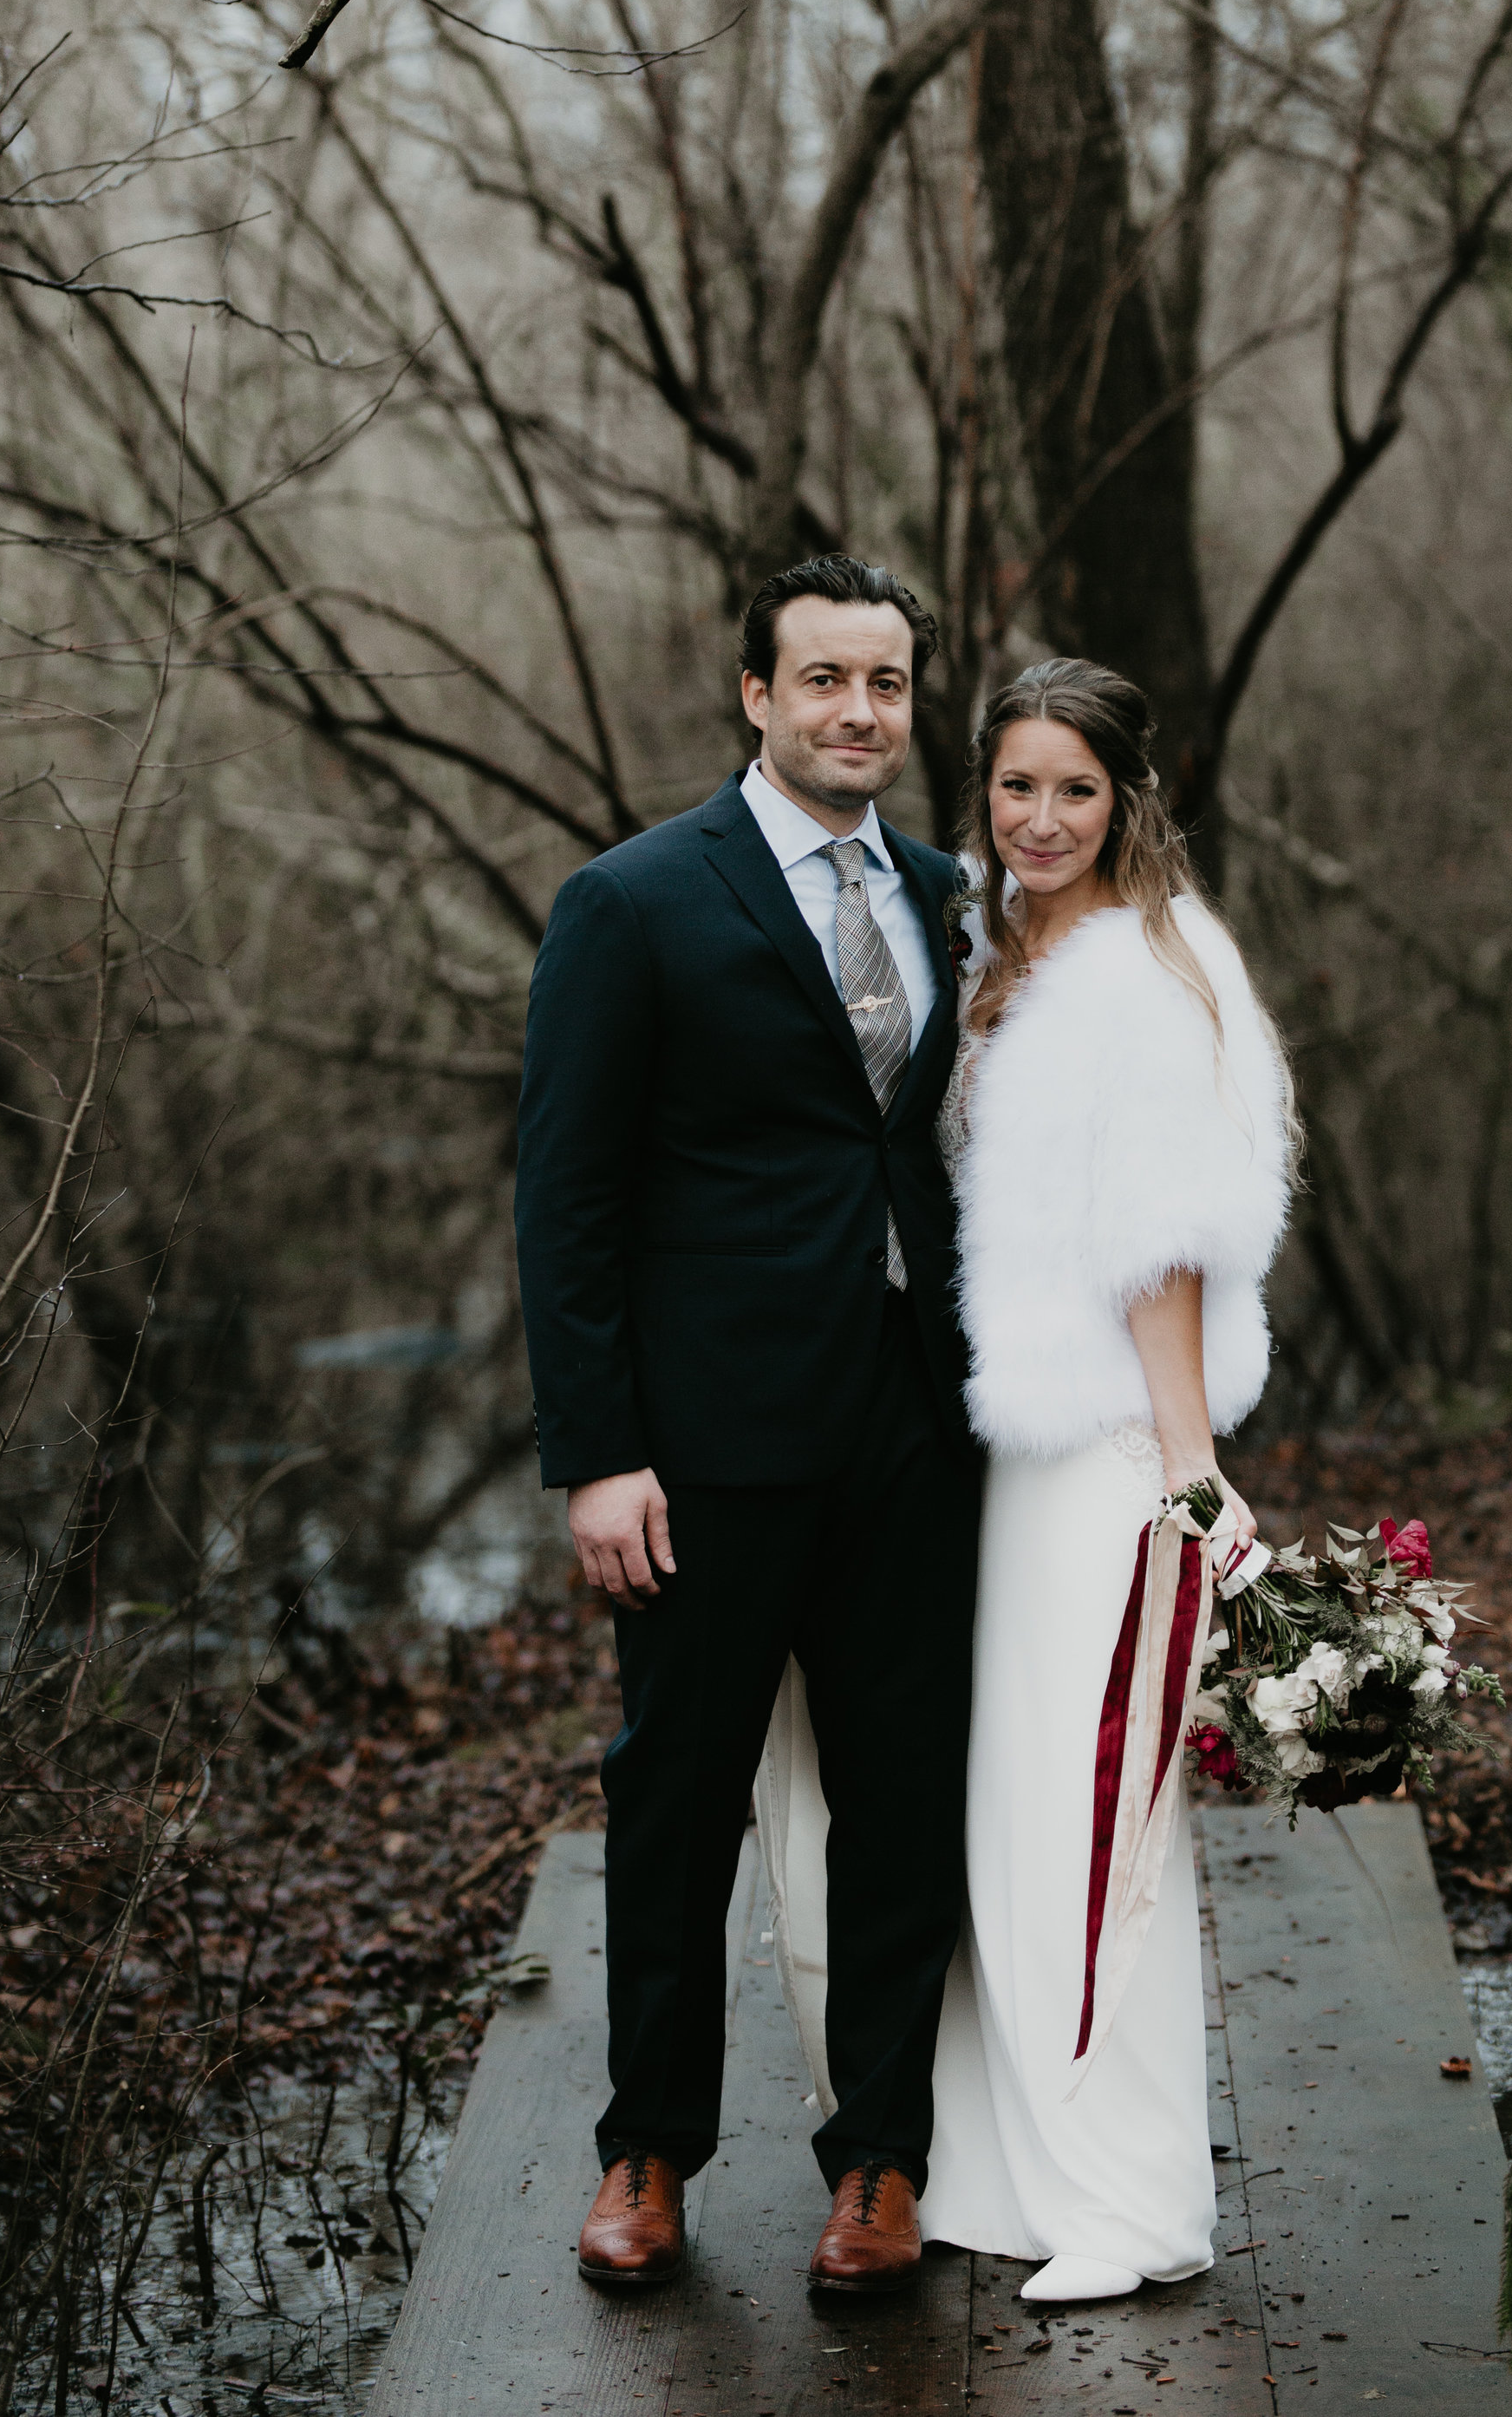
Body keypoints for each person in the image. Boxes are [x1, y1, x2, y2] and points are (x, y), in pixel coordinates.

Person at [763, 657, 1293, 2304]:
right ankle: (1014, 2166)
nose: (1041, 816)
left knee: (1094, 1821)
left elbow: (1166, 1248)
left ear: (1130, 797)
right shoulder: (996, 943)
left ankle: (1136, 2206)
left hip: (1114, 1459)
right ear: (979, 791)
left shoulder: (1153, 967)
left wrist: (1192, 1473)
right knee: (999, 1816)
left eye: (1076, 787)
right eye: (1014, 785)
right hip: (1004, 1452)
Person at [513, 554, 978, 2298]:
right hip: (701, 1442)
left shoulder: (951, 895)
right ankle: (646, 2152)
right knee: (677, 1797)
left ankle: (878, 2164)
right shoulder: (634, 902)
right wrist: (593, 1451)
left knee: (901, 1799)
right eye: (826, 681)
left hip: (916, 1428)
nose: (860, 711)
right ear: (756, 696)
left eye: (887, 684)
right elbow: (564, 1199)